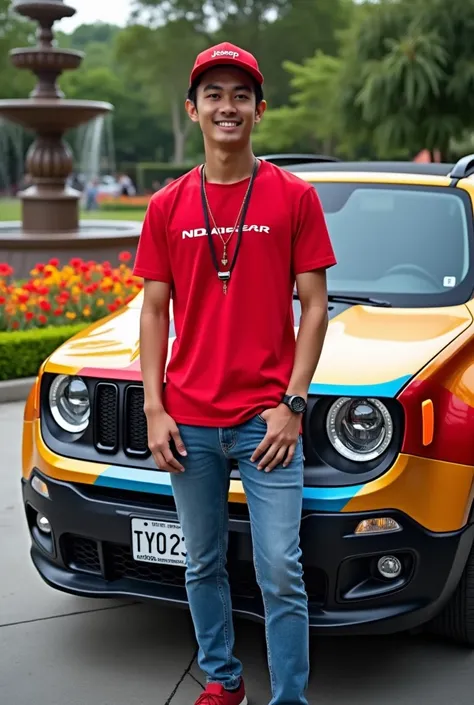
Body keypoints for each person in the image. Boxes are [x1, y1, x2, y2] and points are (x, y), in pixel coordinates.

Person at [133, 41, 336, 705]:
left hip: (266, 422)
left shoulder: (293, 197)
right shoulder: (166, 206)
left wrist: (293, 402)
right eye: (214, 94)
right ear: (193, 110)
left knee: (280, 567)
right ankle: (224, 681)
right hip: (188, 419)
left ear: (259, 110)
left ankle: (290, 698)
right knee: (201, 562)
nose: (228, 105)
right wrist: (154, 407)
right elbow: (154, 311)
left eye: (241, 95)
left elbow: (314, 306)